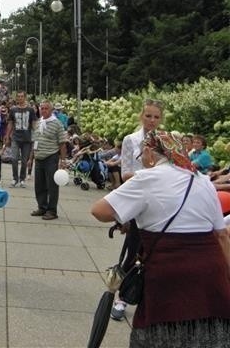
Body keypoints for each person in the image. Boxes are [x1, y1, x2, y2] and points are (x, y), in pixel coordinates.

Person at [91, 130, 230, 347]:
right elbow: (221, 235)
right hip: (210, 273)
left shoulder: (147, 178)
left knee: (161, 334)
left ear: (149, 152)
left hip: (169, 273)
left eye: (141, 156)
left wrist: (133, 213)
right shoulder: (202, 180)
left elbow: (100, 211)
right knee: (207, 335)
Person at [111, 98, 164, 321]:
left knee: (157, 252)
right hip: (139, 201)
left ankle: (151, 299)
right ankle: (122, 297)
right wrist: (151, 173)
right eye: (148, 115)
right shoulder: (131, 140)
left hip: (161, 203)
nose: (151, 120)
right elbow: (125, 174)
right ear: (141, 116)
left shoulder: (166, 140)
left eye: (156, 116)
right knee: (133, 249)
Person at [30, 100, 67, 220]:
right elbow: (34, 141)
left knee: (52, 185)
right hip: (39, 158)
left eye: (46, 108)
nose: (43, 110)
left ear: (51, 110)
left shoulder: (57, 124)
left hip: (51, 157)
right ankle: (42, 207)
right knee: (39, 185)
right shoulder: (38, 123)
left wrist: (63, 160)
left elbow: (62, 143)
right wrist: (31, 158)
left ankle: (52, 210)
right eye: (42, 108)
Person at [4, 90, 37, 188]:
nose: (20, 98)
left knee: (24, 161)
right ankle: (15, 178)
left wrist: (36, 135)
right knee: (14, 159)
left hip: (27, 139)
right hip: (15, 138)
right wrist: (7, 136)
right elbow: (10, 123)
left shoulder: (30, 110)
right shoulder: (13, 110)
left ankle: (22, 179)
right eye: (18, 96)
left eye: (22, 96)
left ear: (25, 97)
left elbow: (34, 124)